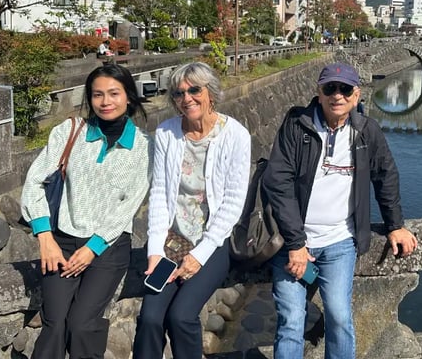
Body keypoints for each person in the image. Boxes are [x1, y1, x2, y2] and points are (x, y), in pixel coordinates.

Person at [262, 62, 418, 359]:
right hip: (292, 243)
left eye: (345, 89)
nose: (337, 95)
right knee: (291, 321)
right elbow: (277, 182)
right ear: (318, 93)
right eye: (329, 88)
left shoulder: (366, 131)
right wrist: (296, 243)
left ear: (357, 95)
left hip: (339, 241)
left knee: (340, 318)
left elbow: (386, 175)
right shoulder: (297, 126)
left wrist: (395, 224)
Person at [21, 64, 153, 359]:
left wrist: (93, 247)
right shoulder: (69, 132)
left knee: (82, 324)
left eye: (114, 93)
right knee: (54, 323)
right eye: (97, 95)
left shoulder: (145, 146)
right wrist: (45, 238)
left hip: (109, 247)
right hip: (62, 241)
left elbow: (128, 205)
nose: (105, 102)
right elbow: (34, 182)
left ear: (129, 97)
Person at [133, 61, 251, 359]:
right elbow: (159, 193)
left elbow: (233, 203)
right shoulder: (166, 134)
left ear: (209, 92)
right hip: (172, 241)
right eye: (178, 93)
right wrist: (155, 249)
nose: (187, 98)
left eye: (194, 90)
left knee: (182, 316)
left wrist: (198, 256)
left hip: (213, 243)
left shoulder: (235, 135)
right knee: (149, 319)